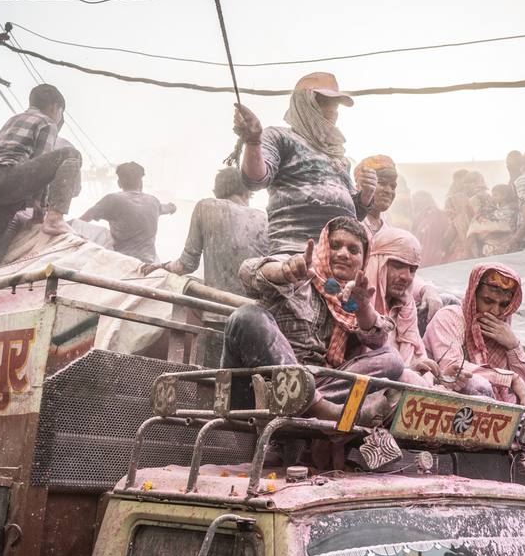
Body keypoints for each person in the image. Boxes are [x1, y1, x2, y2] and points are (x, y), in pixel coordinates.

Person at [228, 216, 401, 425]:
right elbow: (248, 271)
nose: (343, 254)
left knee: (392, 359)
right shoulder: (301, 269)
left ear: (363, 261)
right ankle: (318, 408)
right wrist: (284, 271)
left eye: (353, 250)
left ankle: (311, 403)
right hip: (268, 384)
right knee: (247, 316)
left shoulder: (354, 297)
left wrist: (363, 306)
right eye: (335, 245)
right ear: (324, 247)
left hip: (320, 384)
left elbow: (378, 339)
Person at [231, 71, 378, 256]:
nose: (333, 110)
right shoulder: (280, 137)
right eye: (324, 102)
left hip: (337, 260)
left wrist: (366, 194)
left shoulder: (338, 155)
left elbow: (353, 214)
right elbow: (256, 179)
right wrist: (253, 142)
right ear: (304, 104)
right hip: (294, 254)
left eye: (335, 104)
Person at [0, 83, 82, 280]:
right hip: (6, 181)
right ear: (54, 107)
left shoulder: (13, 120)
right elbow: (40, 166)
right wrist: (40, 215)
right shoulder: (47, 122)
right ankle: (55, 219)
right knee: (70, 155)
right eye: (60, 113)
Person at [423, 263, 525, 409]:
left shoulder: (503, 329)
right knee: (479, 384)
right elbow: (454, 368)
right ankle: (511, 424)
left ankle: (513, 425)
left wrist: (513, 346)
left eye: (504, 304)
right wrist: (509, 378)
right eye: (488, 301)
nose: (495, 311)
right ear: (474, 295)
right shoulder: (450, 317)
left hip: (499, 401)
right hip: (450, 395)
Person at [155, 166, 265, 297]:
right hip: (256, 312)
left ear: (216, 193)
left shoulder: (205, 207)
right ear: (248, 193)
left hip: (217, 308)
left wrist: (163, 267)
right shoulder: (264, 218)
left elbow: (187, 265)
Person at [361, 225, 440, 386]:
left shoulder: (406, 307)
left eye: (412, 269)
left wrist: (435, 373)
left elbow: (418, 358)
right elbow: (372, 363)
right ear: (377, 264)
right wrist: (409, 370)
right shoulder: (357, 302)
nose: (406, 277)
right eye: (397, 266)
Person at [80, 162, 176, 264]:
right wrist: (171, 207)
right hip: (149, 260)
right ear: (140, 182)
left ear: (119, 183)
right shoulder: (153, 201)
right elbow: (167, 208)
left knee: (96, 233)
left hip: (121, 260)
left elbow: (82, 220)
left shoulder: (112, 200)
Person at [466, 183, 517, 257]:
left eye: (496, 195)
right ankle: (468, 251)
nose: (493, 197)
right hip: (499, 227)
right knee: (475, 225)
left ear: (504, 196)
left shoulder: (510, 207)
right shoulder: (497, 206)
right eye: (492, 195)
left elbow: (501, 217)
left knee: (475, 226)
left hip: (506, 229)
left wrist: (484, 218)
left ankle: (467, 252)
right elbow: (492, 214)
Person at [354, 154, 398, 235]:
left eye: (393, 186)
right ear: (359, 186)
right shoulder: (349, 220)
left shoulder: (388, 229)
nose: (388, 191)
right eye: (382, 183)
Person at [412, 190, 458, 267]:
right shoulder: (440, 215)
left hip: (428, 263)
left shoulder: (428, 218)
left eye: (415, 203)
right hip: (442, 262)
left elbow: (426, 246)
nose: (413, 207)